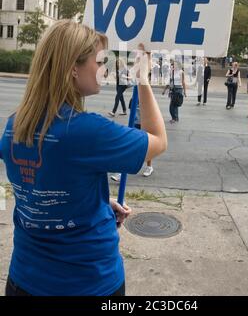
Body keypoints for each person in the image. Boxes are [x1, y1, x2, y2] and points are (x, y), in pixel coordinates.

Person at [0, 20, 167, 296]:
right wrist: (143, 80)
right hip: (88, 283)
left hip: (24, 280)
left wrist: (96, 201)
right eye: (98, 61)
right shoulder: (87, 131)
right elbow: (158, 141)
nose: (103, 69)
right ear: (73, 69)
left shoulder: (15, 125)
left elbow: (39, 187)